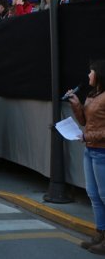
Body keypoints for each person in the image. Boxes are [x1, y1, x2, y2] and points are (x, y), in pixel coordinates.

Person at [68, 60, 105, 254]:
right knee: (94, 195)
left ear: (99, 74)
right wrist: (76, 104)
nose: (88, 76)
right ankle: (100, 234)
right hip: (90, 150)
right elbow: (84, 121)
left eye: (90, 72)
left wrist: (87, 136)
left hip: (101, 152)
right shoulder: (93, 95)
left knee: (104, 195)